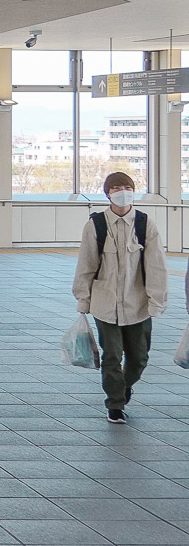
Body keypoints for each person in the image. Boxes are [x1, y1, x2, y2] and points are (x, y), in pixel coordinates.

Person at [72, 172, 168, 424]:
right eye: (117, 188)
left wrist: (156, 301)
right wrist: (83, 299)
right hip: (105, 305)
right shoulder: (96, 225)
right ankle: (115, 404)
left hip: (138, 305)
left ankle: (123, 388)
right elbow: (86, 265)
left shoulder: (145, 224)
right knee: (112, 356)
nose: (123, 191)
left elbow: (156, 265)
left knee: (139, 358)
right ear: (108, 193)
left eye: (127, 187)